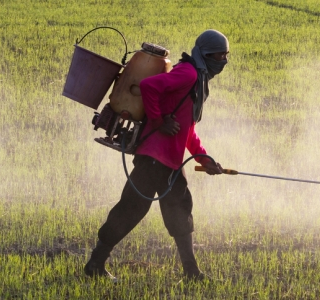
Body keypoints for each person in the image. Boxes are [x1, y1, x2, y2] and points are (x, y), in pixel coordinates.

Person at [84, 29, 230, 282]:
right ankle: (96, 263)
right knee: (134, 208)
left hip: (168, 159)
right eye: (220, 55)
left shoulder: (198, 78)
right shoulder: (189, 73)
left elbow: (188, 129)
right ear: (206, 54)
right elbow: (148, 86)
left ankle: (191, 272)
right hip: (155, 156)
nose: (224, 61)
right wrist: (159, 120)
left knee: (177, 209)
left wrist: (203, 159)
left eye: (227, 56)